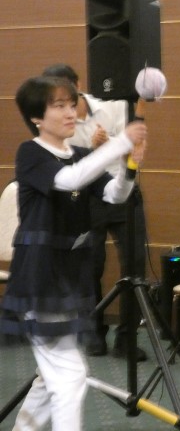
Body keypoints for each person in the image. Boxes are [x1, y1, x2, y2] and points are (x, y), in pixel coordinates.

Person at [0, 75, 147, 430]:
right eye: (58, 106)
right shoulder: (31, 153)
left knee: (51, 374)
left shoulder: (80, 155)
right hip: (40, 276)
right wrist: (120, 142)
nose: (70, 113)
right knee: (69, 376)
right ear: (37, 117)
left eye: (71, 105)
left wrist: (129, 165)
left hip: (68, 275)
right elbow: (69, 180)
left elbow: (115, 195)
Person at [42, 64, 147, 361]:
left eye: (66, 93)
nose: (62, 103)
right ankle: (94, 334)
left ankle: (127, 339)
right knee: (89, 268)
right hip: (87, 199)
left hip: (123, 194)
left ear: (77, 86)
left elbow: (134, 146)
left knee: (134, 269)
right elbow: (65, 168)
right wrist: (92, 148)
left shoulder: (113, 106)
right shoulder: (56, 126)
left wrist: (109, 144)